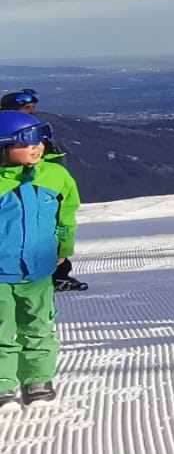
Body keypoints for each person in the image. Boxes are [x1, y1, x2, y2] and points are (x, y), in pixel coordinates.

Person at [0, 109, 79, 408]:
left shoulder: (55, 176)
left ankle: (37, 379)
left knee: (39, 325)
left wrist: (63, 248)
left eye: (39, 141)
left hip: (38, 270)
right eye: (26, 142)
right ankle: (3, 383)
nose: (36, 147)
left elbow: (66, 215)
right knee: (2, 328)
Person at [5, 89, 85, 291]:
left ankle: (58, 273)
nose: (31, 112)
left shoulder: (33, 132)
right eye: (27, 108)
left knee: (46, 224)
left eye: (32, 108)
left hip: (40, 183)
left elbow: (65, 213)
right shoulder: (10, 132)